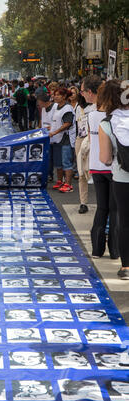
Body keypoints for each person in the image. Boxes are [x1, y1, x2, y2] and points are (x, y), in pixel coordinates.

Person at [99, 79, 129, 278]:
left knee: (125, 222)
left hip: (122, 178)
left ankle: (126, 266)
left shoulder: (107, 123)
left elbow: (105, 158)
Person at [88, 81, 119, 260]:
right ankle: (115, 251)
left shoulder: (92, 115)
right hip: (113, 167)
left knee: (102, 208)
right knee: (115, 210)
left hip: (96, 166)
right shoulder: (116, 117)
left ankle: (97, 250)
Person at [49, 87, 76, 193]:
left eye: (58, 95)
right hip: (55, 138)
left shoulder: (68, 108)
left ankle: (68, 184)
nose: (55, 96)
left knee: (66, 161)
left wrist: (55, 132)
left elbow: (67, 123)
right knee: (58, 162)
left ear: (64, 96)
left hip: (66, 138)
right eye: (54, 94)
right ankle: (60, 181)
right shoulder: (56, 106)